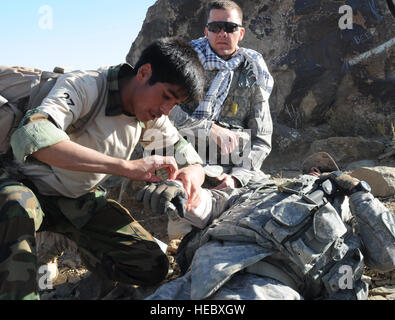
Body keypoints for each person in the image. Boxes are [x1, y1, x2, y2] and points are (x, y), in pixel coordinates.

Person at [0, 37, 207, 300]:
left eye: (174, 104)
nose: (165, 110)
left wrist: (189, 176)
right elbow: (32, 137)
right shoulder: (85, 86)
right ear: (144, 73)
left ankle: (69, 242)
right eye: (166, 96)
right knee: (14, 205)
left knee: (151, 266)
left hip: (76, 199)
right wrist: (125, 167)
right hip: (25, 184)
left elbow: (193, 161)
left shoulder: (152, 117)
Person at [137, 152, 395, 300]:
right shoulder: (261, 187)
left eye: (332, 172)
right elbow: (210, 204)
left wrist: (358, 191)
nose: (321, 175)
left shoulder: (350, 212)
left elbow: (388, 255)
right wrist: (181, 191)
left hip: (267, 286)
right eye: (319, 169)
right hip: (203, 270)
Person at [169, 0, 274, 190]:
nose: (223, 34)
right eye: (216, 27)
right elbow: (162, 112)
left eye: (230, 27)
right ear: (206, 31)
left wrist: (236, 178)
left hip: (231, 169)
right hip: (182, 159)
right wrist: (208, 128)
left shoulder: (253, 72)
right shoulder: (182, 65)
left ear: (241, 33)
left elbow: (261, 140)